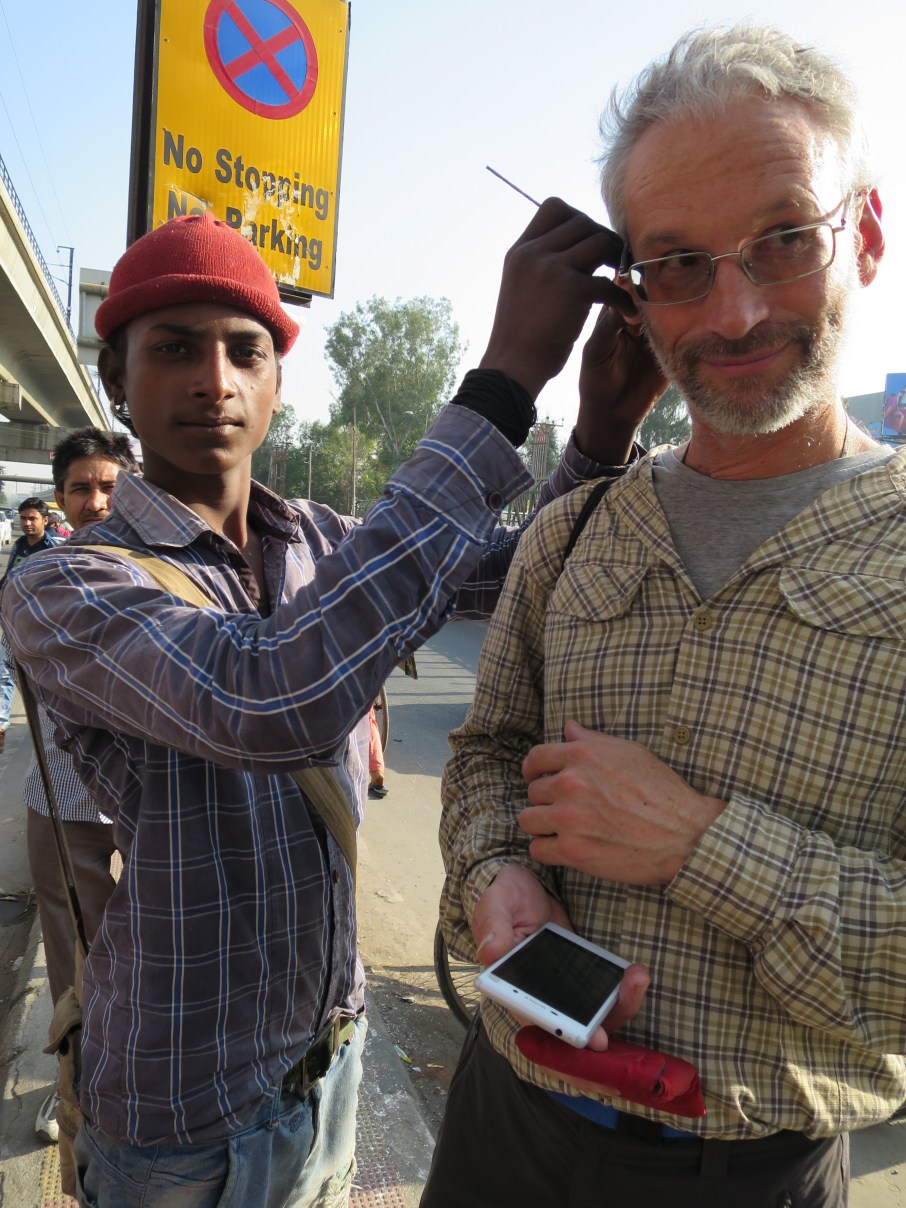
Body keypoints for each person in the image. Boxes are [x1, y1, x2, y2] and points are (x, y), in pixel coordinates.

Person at [1, 207, 661, 1207]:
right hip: (184, 1121)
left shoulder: (318, 538)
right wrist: (501, 383)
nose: (214, 380)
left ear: (277, 382)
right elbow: (273, 696)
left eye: (245, 351)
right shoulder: (66, 584)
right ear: (117, 382)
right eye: (173, 348)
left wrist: (603, 429)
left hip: (329, 1061)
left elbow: (507, 575)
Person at [427, 23, 901, 1208]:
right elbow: (485, 755)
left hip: (750, 1175)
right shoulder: (575, 531)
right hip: (500, 1129)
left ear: (866, 235)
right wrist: (494, 877)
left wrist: (700, 843)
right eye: (680, 263)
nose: (733, 313)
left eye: (784, 239)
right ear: (634, 295)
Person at [22, 429, 138, 1144]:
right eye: (81, 488)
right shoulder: (39, 579)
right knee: (73, 956)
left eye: (110, 487)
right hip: (63, 802)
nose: (96, 502)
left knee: (161, 949)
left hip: (157, 803)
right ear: (62, 498)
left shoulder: (174, 571)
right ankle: (75, 1093)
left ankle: (141, 1084)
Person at [0, 500, 66, 749]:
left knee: (41, 677)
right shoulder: (19, 545)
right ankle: (1, 726)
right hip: (13, 620)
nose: (27, 523)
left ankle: (52, 727)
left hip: (42, 625)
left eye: (32, 518)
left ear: (45, 520)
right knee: (4, 672)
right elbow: (9, 577)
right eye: (23, 518)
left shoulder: (56, 547)